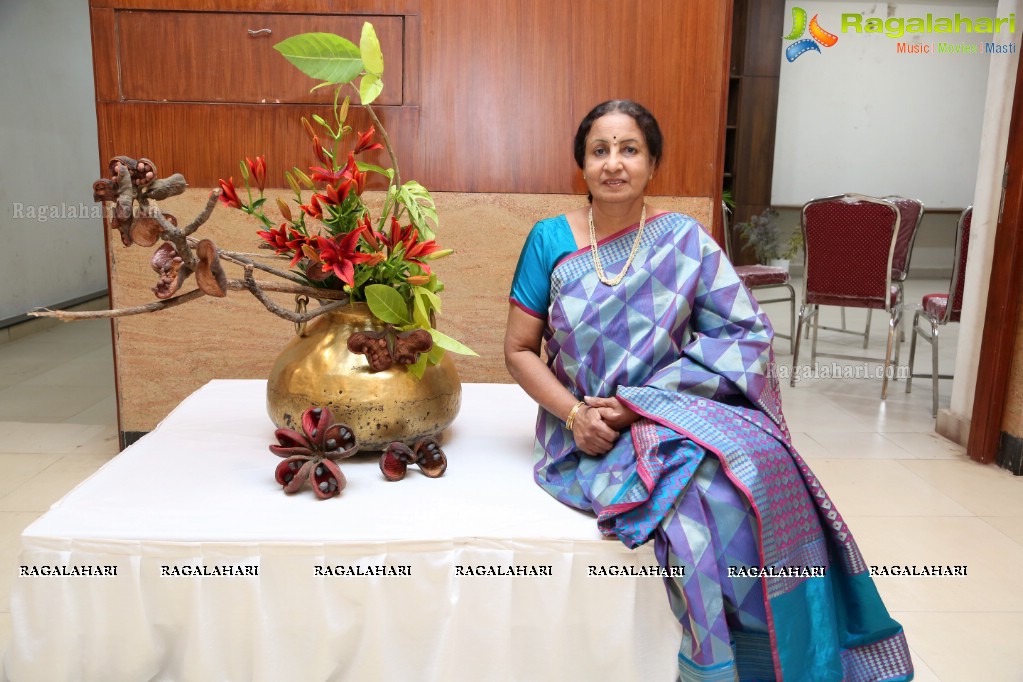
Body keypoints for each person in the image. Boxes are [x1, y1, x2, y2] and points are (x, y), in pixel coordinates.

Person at [504, 100, 913, 682]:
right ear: (582, 165)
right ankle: (720, 664)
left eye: (629, 150)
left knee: (761, 476)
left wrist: (640, 404)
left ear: (652, 163)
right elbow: (518, 350)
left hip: (670, 408)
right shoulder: (549, 240)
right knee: (702, 504)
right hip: (585, 423)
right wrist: (575, 416)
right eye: (600, 151)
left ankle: (793, 656)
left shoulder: (685, 240)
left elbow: (746, 333)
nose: (613, 164)